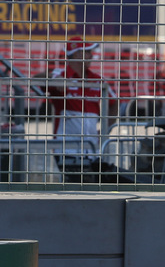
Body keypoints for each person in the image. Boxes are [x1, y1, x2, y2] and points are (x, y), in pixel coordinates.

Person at [46, 36, 130, 183]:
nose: (92, 55)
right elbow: (38, 78)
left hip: (93, 150)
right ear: (77, 54)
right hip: (67, 150)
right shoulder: (60, 75)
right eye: (88, 52)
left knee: (96, 188)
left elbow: (115, 102)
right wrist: (53, 81)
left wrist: (106, 129)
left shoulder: (98, 80)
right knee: (77, 190)